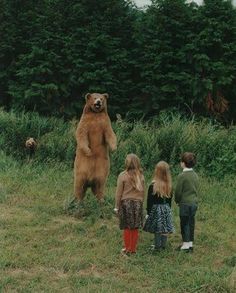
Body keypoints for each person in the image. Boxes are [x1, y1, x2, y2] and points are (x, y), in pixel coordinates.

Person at [114, 154, 145, 255]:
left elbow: (119, 193)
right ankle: (133, 249)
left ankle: (127, 249)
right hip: (138, 204)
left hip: (126, 204)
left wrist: (116, 206)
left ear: (127, 163)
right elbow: (143, 192)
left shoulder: (123, 175)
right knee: (135, 227)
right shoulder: (141, 176)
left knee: (127, 227)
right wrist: (141, 204)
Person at [143, 161, 174, 251]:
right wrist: (169, 210)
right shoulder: (169, 185)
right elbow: (169, 200)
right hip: (166, 208)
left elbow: (150, 201)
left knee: (157, 228)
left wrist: (148, 212)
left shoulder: (153, 186)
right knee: (164, 228)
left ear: (157, 172)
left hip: (156, 209)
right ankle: (163, 246)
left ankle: (157, 246)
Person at [175, 152, 199, 252]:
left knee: (184, 223)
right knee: (191, 223)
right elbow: (196, 188)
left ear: (183, 163)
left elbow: (178, 191)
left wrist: (177, 200)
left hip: (184, 203)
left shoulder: (182, 176)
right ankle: (190, 244)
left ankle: (185, 245)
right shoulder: (195, 175)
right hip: (194, 203)